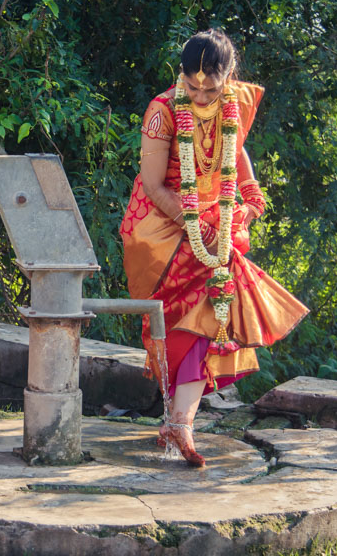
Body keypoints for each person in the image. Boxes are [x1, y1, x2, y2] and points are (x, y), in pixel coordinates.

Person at [119, 29, 308, 467]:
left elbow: (236, 149)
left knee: (217, 301)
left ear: (229, 77)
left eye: (211, 86)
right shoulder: (162, 112)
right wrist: (192, 226)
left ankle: (179, 422)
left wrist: (249, 190)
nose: (201, 95)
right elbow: (151, 184)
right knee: (193, 311)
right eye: (192, 85)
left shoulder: (235, 102)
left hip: (210, 221)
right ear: (180, 76)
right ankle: (177, 420)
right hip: (159, 228)